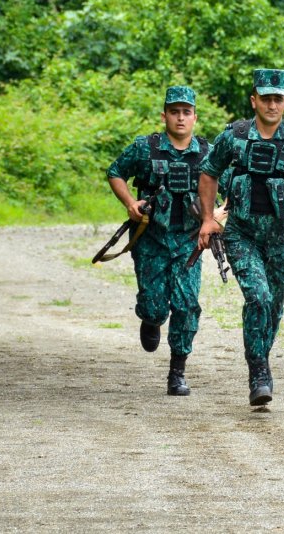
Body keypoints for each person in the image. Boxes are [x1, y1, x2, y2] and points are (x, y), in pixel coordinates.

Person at [197, 68, 284, 407]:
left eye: (279, 98)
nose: (272, 105)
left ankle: (261, 356)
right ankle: (259, 371)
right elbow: (208, 172)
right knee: (257, 297)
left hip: (281, 242)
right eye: (266, 98)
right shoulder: (235, 136)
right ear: (254, 100)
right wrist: (208, 218)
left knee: (273, 306)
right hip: (242, 236)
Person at [107, 85, 222, 396]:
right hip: (151, 239)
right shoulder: (146, 148)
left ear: (195, 117)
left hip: (189, 241)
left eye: (186, 112)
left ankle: (177, 371)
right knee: (155, 305)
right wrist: (131, 203)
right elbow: (115, 172)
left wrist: (215, 217)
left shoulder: (208, 153)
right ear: (164, 116)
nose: (180, 118)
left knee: (186, 305)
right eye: (175, 112)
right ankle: (150, 318)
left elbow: (229, 188)